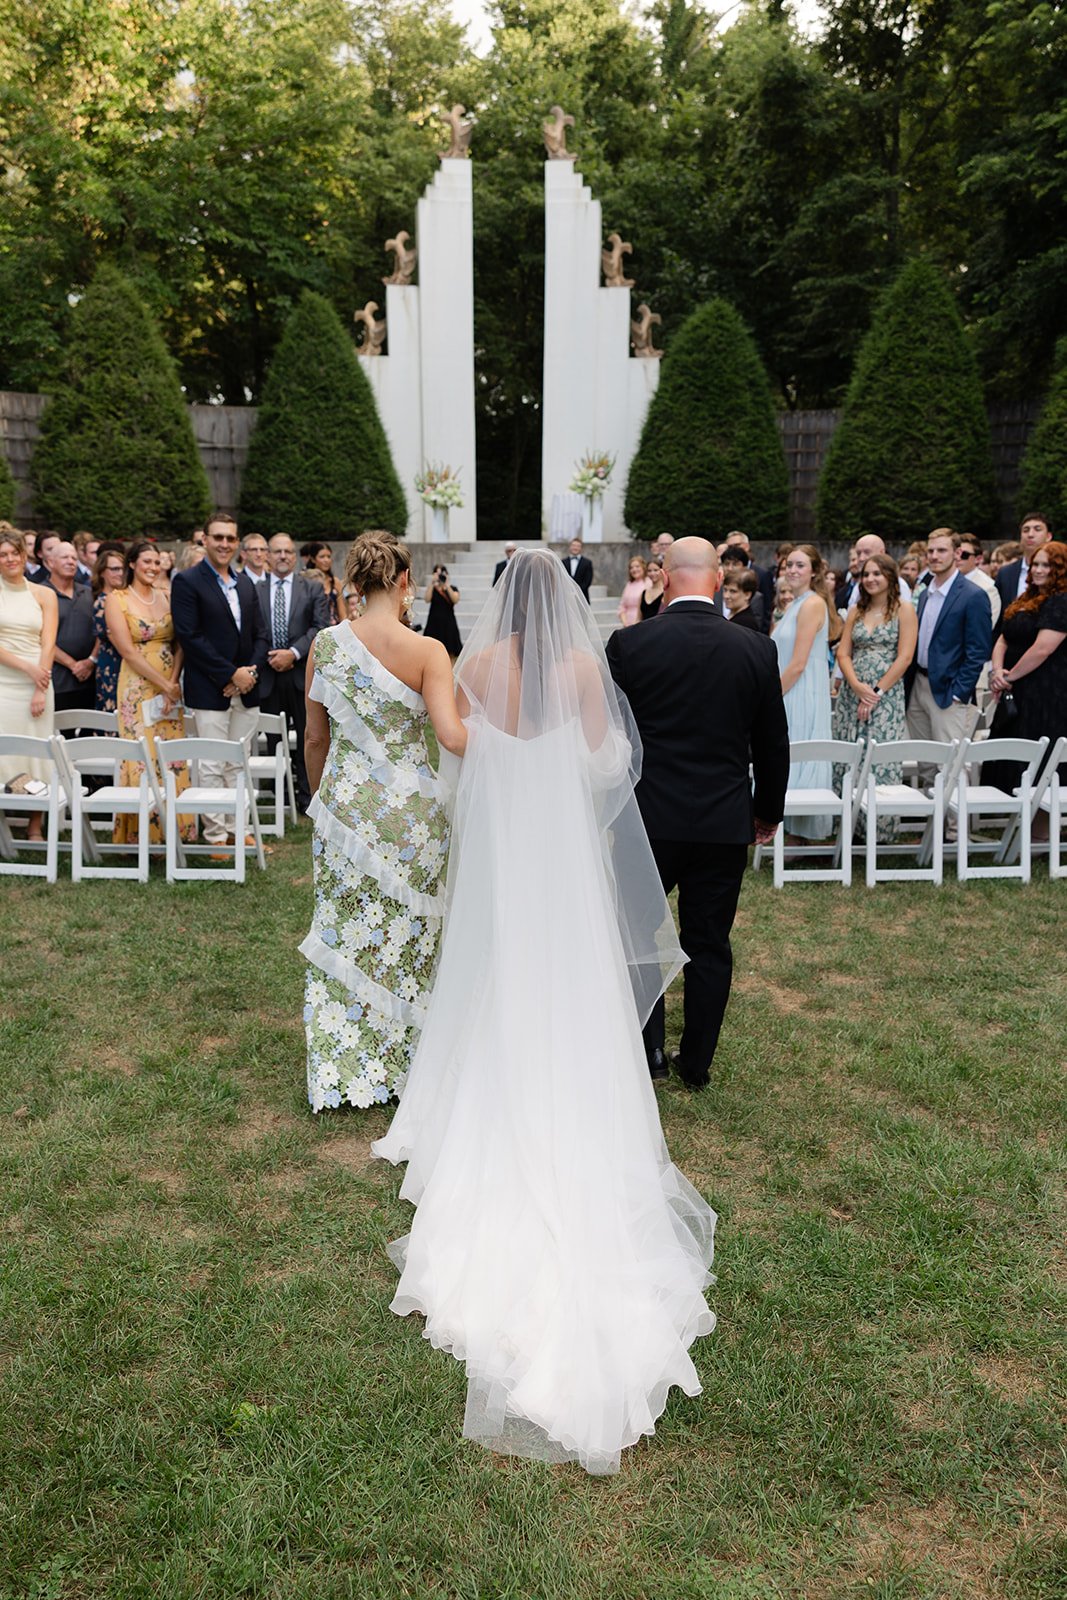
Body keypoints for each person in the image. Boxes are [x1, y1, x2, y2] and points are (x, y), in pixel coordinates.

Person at [373, 547, 717, 1477]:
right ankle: (575, 1088)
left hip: (507, 858)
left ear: (499, 605)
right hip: (562, 858)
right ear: (563, 604)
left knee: (498, 977)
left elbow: (462, 757)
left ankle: (497, 1090)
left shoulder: (478, 667)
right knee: (574, 979)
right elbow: (611, 763)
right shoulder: (577, 668)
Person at [607, 537, 789, 1088]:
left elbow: (612, 739)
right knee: (710, 942)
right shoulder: (755, 648)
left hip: (648, 822)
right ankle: (698, 1064)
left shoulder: (629, 644)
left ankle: (651, 1052)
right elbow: (773, 743)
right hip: (722, 820)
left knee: (639, 936)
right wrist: (767, 814)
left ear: (664, 575)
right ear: (715, 579)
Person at [301, 534, 466, 1113]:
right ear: (402, 584)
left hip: (346, 805)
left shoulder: (325, 644)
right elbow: (450, 735)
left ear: (354, 582)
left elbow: (316, 737)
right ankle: (405, 1065)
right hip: (412, 816)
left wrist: (325, 800)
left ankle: (343, 1068)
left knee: (344, 930)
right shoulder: (428, 651)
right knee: (408, 935)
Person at [171, 512, 269, 851]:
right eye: (218, 538)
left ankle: (239, 829)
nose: (224, 544)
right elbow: (190, 636)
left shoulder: (245, 583)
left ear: (237, 542)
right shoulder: (187, 582)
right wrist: (230, 674)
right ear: (205, 540)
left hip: (247, 689)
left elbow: (261, 635)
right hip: (208, 688)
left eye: (230, 538)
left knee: (238, 763)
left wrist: (249, 674)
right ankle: (216, 837)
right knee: (211, 764)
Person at [106, 540, 194, 845]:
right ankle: (140, 836)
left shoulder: (168, 596)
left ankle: (176, 833)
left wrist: (174, 681)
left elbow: (180, 642)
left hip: (171, 684)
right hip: (136, 687)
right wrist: (164, 683)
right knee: (142, 755)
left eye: (157, 563)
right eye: (147, 562)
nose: (153, 568)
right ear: (132, 564)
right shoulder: (116, 600)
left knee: (170, 754)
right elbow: (128, 652)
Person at [833, 554, 917, 838]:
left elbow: (905, 657)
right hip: (851, 694)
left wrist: (876, 692)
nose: (870, 579)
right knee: (848, 755)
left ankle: (877, 830)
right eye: (866, 574)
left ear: (890, 577)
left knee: (878, 757)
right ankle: (845, 826)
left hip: (886, 698)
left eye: (876, 574)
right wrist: (856, 686)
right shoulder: (856, 610)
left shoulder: (904, 609)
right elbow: (844, 652)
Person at [986, 541, 1067, 798]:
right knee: (1011, 756)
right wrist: (997, 672)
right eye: (1035, 565)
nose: (1039, 570)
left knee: (1040, 759)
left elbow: (1043, 648)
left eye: (1047, 565)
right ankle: (1018, 825)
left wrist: (1009, 676)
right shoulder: (1026, 597)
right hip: (1016, 689)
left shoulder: (1061, 601)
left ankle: (1041, 832)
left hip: (1047, 693)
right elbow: (1003, 637)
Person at [257, 531, 329, 813]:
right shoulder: (256, 590)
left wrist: (293, 653)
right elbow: (252, 630)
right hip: (268, 674)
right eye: (277, 551)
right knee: (274, 739)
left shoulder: (310, 588)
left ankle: (306, 795)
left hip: (301, 673)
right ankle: (278, 793)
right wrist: (273, 657)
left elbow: (319, 627)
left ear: (295, 556)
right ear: (268, 556)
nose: (283, 556)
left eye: (288, 551)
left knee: (306, 735)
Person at [906, 528, 992, 764]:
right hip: (918, 687)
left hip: (948, 691)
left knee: (950, 766)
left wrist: (959, 692)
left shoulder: (973, 595)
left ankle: (951, 803)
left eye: (941, 550)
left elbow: (979, 650)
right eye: (930, 551)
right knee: (924, 763)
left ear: (957, 553)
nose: (934, 556)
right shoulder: (925, 593)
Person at [772, 544, 840, 839]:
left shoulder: (813, 604)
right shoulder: (793, 604)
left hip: (800, 693)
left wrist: (771, 698)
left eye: (800, 565)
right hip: (789, 689)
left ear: (814, 572)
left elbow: (799, 663)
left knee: (798, 754)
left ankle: (800, 833)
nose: (792, 570)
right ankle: (787, 829)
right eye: (789, 565)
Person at [0, 527, 57, 839]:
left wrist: (40, 683)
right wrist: (27, 668)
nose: (10, 559)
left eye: (15, 553)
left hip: (39, 683)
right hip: (3, 682)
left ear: (25, 555)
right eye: (3, 555)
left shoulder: (44, 594)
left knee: (36, 752)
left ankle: (35, 824)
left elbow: (48, 641)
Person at [45, 541, 97, 722]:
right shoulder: (41, 593)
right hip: (58, 681)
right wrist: (73, 665)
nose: (71, 562)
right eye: (65, 557)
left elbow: (102, 631)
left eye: (74, 558)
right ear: (50, 562)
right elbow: (39, 637)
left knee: (89, 734)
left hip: (91, 678)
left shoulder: (89, 593)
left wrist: (90, 661)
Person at [91, 548, 127, 713]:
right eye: (114, 569)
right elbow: (119, 643)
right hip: (113, 667)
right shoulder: (102, 603)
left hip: (129, 666)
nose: (120, 573)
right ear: (102, 573)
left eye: (122, 568)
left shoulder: (127, 599)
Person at [995, 515, 1052, 609]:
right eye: (1026, 530)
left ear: (1048, 536)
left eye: (1037, 529)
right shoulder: (1005, 573)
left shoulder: (1059, 571)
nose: (1030, 534)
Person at [955, 535, 1000, 626]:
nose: (958, 558)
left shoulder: (988, 587)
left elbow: (986, 626)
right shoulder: (944, 582)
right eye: (956, 553)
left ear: (978, 559)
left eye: (964, 555)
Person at [422, 564, 462, 658]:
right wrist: (432, 583)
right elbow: (427, 599)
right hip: (434, 623)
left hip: (448, 624)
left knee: (450, 651)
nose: (440, 576)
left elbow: (455, 599)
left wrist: (446, 585)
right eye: (437, 573)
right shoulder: (433, 589)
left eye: (442, 573)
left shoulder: (452, 588)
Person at [301, 540, 342, 623]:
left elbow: (342, 613)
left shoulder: (335, 582)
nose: (326, 560)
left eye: (329, 556)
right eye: (322, 557)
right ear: (312, 559)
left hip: (333, 629)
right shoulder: (304, 580)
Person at [617, 555, 649, 626]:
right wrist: (625, 622)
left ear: (643, 567)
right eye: (631, 568)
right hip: (628, 623)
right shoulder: (629, 584)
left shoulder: (648, 582)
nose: (634, 569)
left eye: (637, 566)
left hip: (643, 622)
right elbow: (622, 605)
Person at [561, 536, 593, 602]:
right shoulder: (563, 562)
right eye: (573, 545)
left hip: (582, 597)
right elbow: (561, 579)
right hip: (566, 597)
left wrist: (576, 592)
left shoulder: (587, 563)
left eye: (578, 546)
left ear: (581, 548)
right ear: (570, 547)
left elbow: (587, 581)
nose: (575, 548)